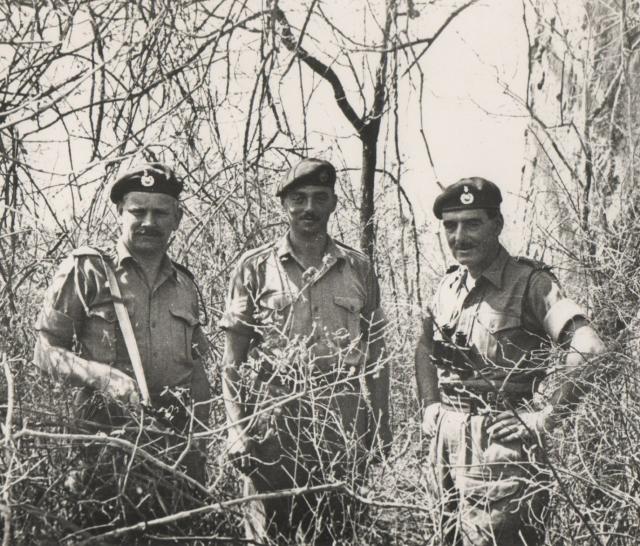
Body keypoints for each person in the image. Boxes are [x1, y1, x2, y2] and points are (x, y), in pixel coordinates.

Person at [415, 177, 605, 546]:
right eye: (450, 226)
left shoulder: (531, 283)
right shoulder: (448, 286)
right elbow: (423, 347)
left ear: (497, 225)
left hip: (500, 448)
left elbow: (590, 348)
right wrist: (430, 403)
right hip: (446, 445)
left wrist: (546, 417)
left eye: (472, 223)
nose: (459, 237)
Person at [220, 157, 391, 544]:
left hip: (341, 419)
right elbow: (232, 362)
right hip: (272, 421)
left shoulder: (359, 268)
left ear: (333, 203)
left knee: (335, 531)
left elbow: (377, 355)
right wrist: (236, 431)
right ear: (284, 205)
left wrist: (380, 428)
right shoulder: (254, 268)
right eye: (298, 199)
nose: (309, 208)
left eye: (319, 198)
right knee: (268, 534)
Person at [34, 162, 211, 523]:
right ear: (119, 213)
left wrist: (200, 445)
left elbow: (197, 372)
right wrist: (102, 377)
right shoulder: (87, 270)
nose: (149, 222)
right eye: (138, 211)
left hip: (173, 455)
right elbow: (44, 352)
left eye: (160, 212)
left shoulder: (186, 285)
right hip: (103, 448)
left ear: (177, 218)